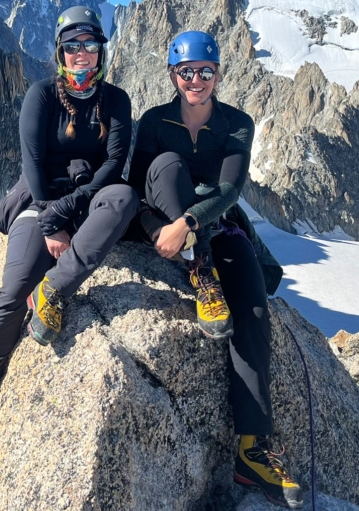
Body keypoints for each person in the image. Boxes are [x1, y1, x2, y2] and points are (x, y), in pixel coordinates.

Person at [128, 30, 303, 510]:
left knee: (251, 306)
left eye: (205, 72)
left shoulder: (236, 124)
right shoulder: (154, 121)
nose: (196, 81)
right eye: (187, 72)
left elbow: (229, 190)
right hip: (165, 221)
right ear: (173, 76)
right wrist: (156, 231)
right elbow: (138, 189)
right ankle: (200, 274)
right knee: (166, 165)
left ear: (218, 75)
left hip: (213, 228)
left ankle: (253, 447)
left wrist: (186, 226)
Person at [0, 5, 138, 452]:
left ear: (100, 51)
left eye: (89, 46)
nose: (81, 55)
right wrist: (51, 219)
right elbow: (32, 163)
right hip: (40, 201)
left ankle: (54, 289)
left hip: (89, 199)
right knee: (14, 291)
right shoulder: (41, 95)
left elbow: (114, 164)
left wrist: (70, 212)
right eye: (72, 47)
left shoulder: (115, 100)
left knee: (125, 197)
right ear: (60, 51)